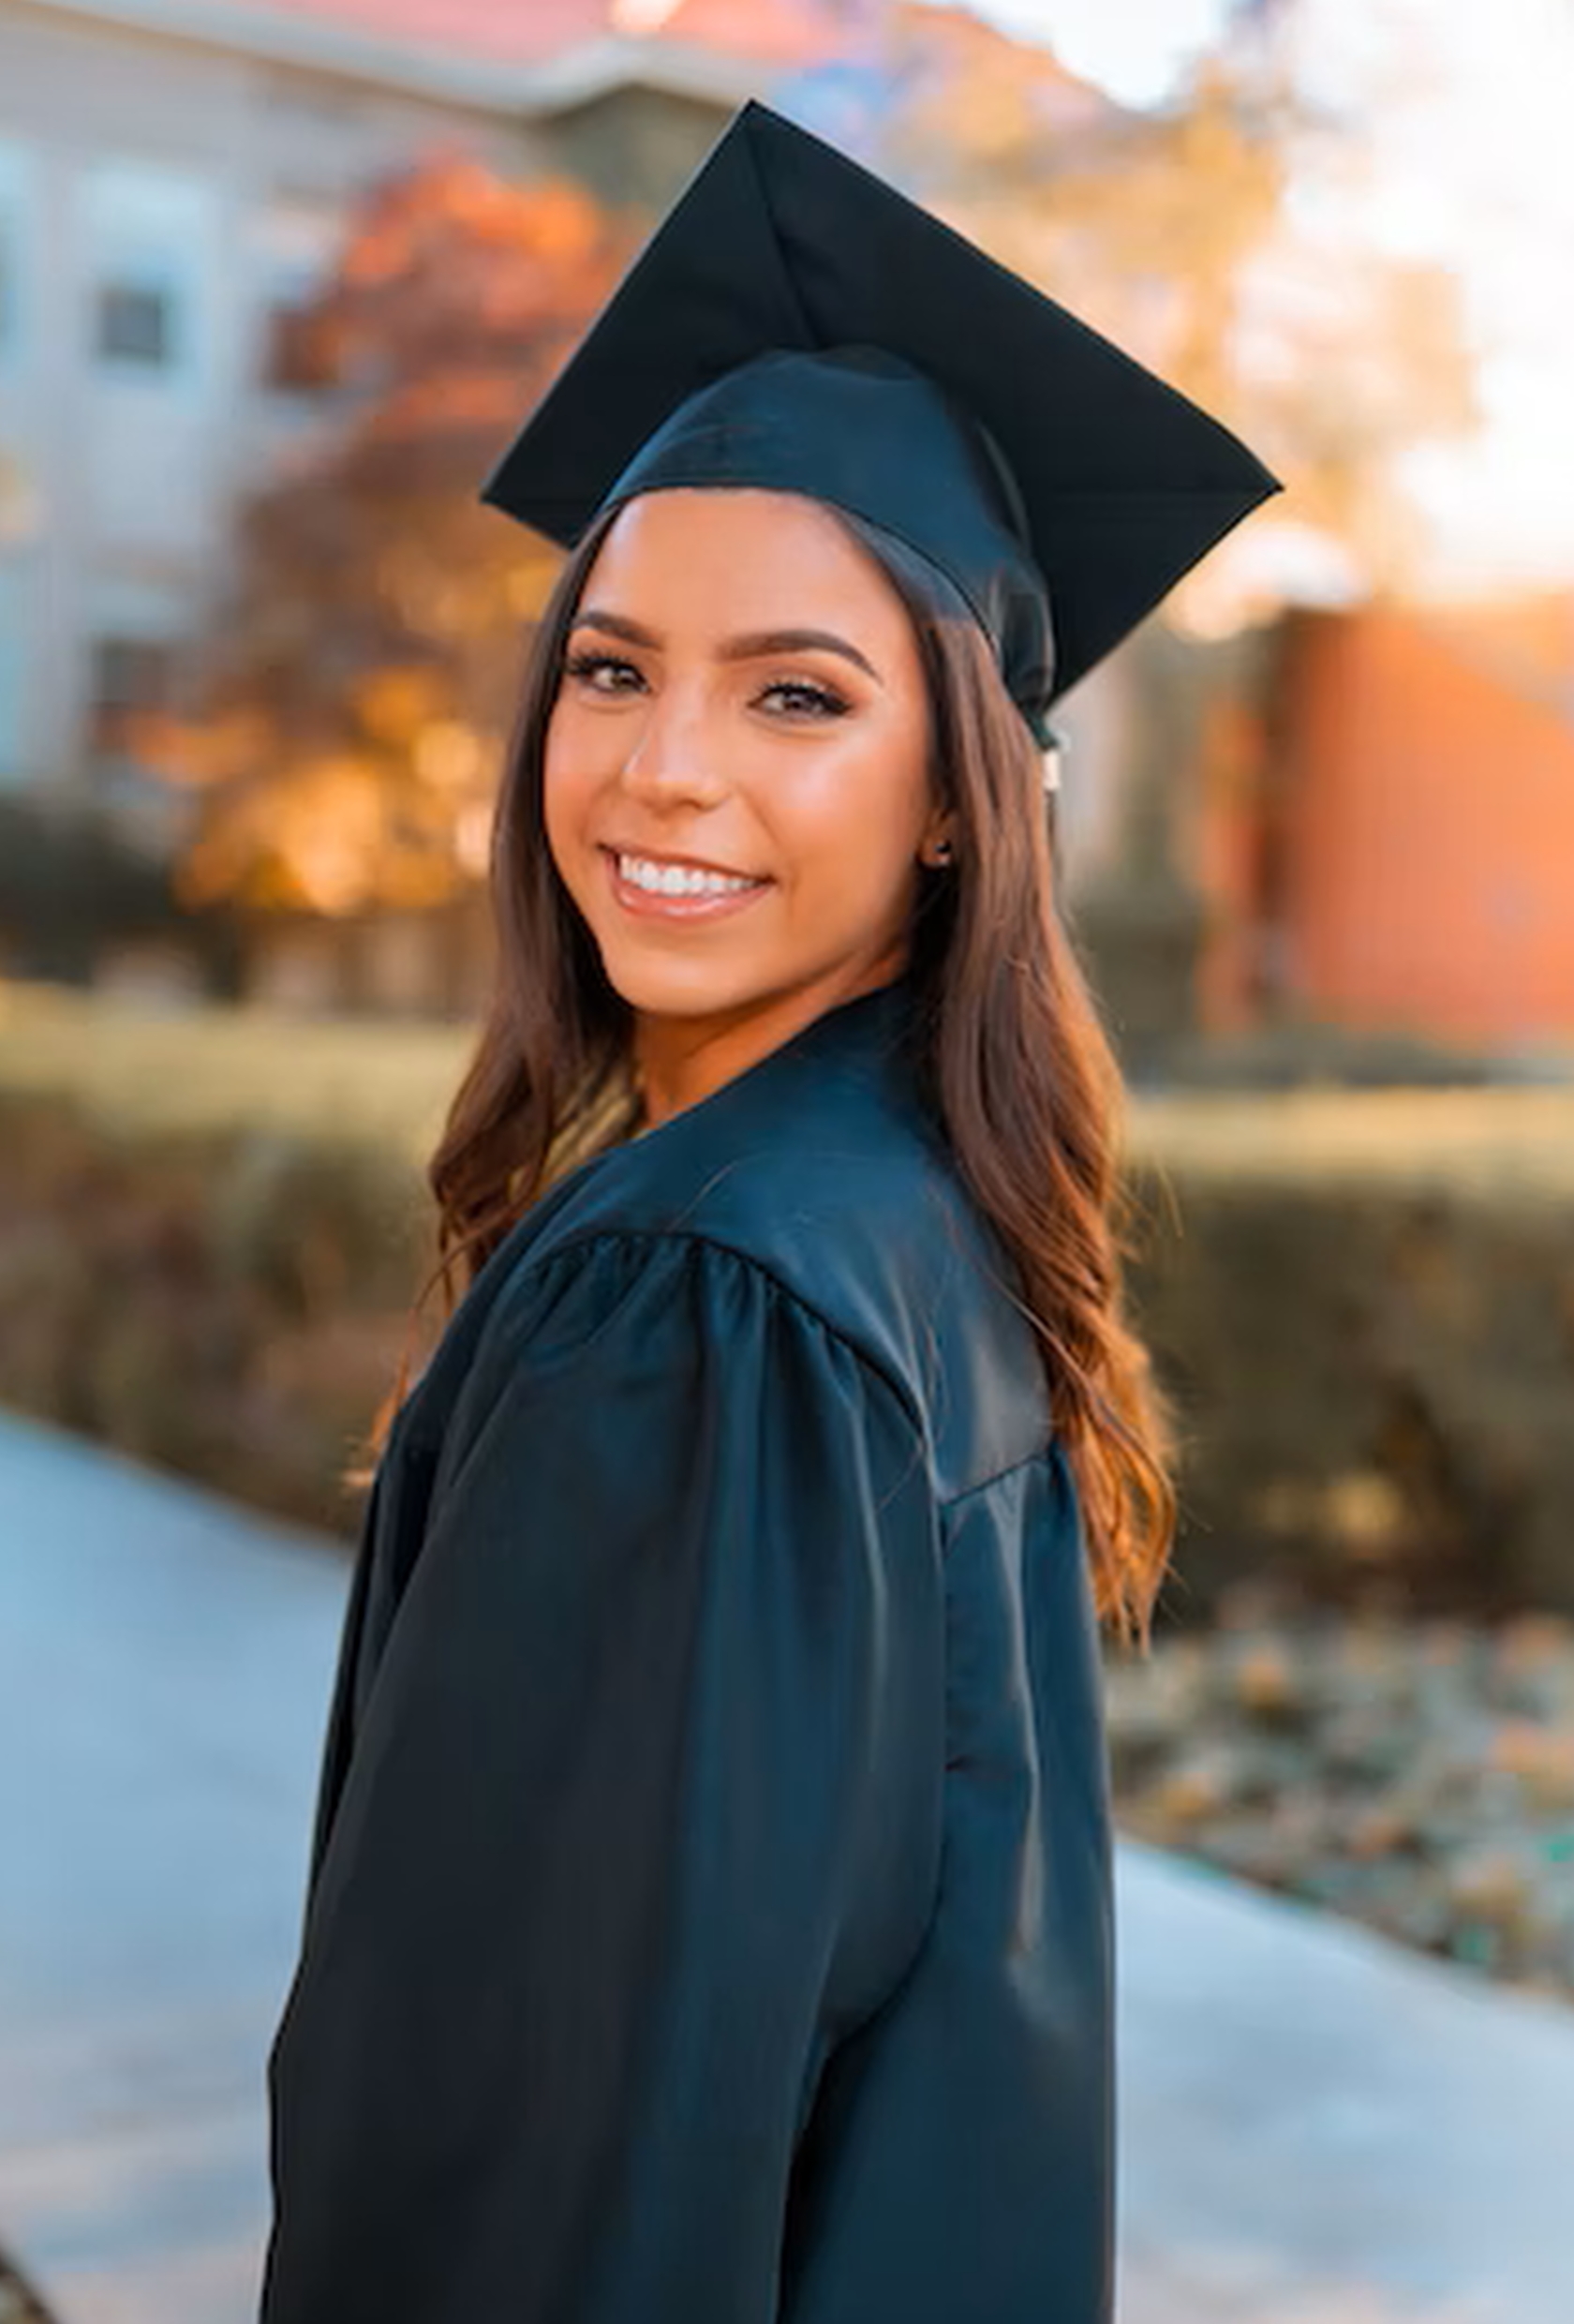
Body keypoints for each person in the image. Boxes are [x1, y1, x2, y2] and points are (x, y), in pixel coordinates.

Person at [258, 99, 1277, 2324]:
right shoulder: (916, 1219)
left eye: (796, 695)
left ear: (952, 801)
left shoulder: (698, 1298)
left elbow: (548, 2169)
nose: (662, 769)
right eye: (611, 667)